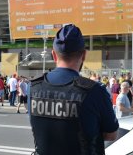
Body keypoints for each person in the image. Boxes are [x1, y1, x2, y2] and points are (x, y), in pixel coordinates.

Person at [29, 24, 118, 155]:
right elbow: (111, 134)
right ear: (83, 55)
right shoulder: (95, 91)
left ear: (54, 55)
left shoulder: (34, 87)